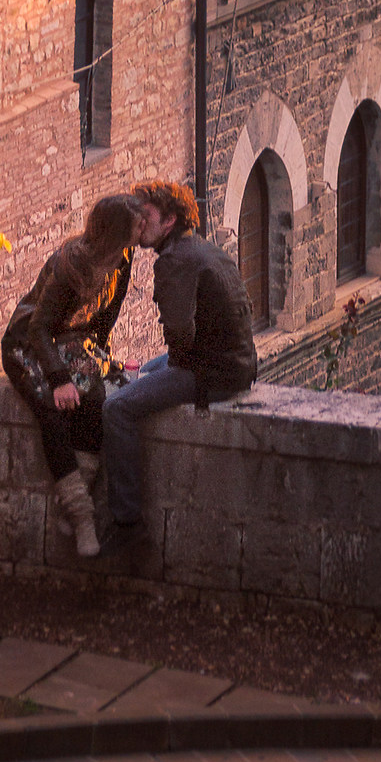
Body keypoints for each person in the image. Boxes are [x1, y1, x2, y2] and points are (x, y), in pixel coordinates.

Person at [98, 178, 258, 569]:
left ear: (169, 221)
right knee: (136, 372)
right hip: (235, 364)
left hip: (210, 374)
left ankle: (127, 524)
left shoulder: (175, 261)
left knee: (117, 409)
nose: (140, 224)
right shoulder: (199, 247)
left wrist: (171, 369)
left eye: (146, 216)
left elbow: (180, 337)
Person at [0, 194, 143, 557]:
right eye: (137, 224)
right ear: (116, 232)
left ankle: (74, 501)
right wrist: (60, 378)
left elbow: (105, 318)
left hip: (72, 342)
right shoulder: (71, 268)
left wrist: (100, 357)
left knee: (98, 399)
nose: (144, 228)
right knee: (52, 410)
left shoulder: (123, 258)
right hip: (30, 345)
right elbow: (37, 329)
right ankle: (81, 517)